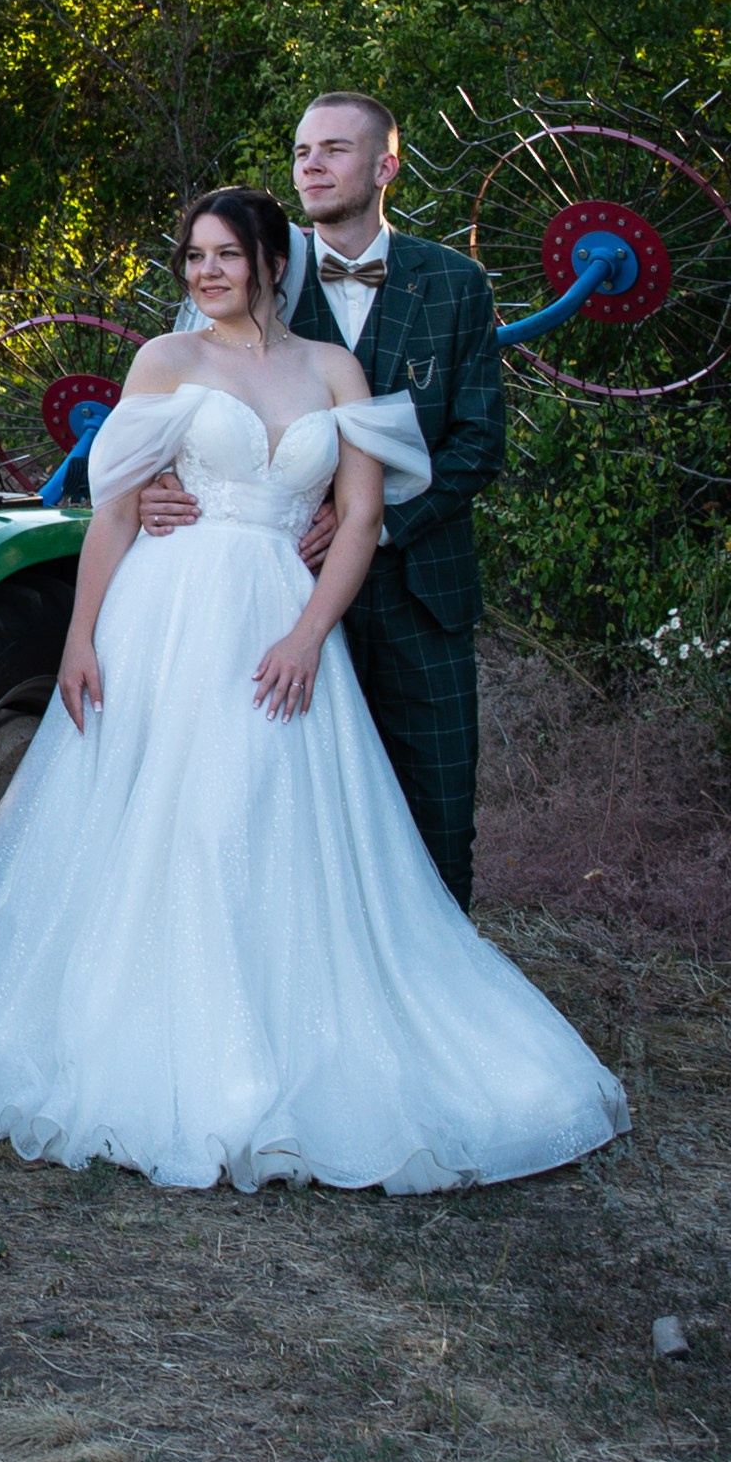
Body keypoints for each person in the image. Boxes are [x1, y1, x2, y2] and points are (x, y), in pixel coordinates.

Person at [0, 184, 627, 1192]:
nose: (206, 273)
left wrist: (312, 634)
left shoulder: (333, 370)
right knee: (173, 820)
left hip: (279, 617)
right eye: (193, 257)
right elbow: (112, 512)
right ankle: (150, 1040)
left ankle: (273, 1045)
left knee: (265, 817)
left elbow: (357, 519)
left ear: (274, 263)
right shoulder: (164, 361)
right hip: (168, 617)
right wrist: (80, 640)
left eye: (225, 255)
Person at [143, 92, 501, 909]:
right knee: (278, 810)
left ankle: (431, 994)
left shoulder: (455, 284)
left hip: (419, 594)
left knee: (437, 815)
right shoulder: (249, 264)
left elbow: (478, 441)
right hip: (265, 598)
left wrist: (370, 516)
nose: (312, 164)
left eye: (335, 150)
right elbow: (175, 404)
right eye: (303, 150)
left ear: (386, 167)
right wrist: (161, 485)